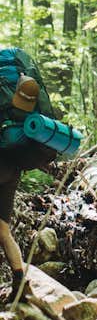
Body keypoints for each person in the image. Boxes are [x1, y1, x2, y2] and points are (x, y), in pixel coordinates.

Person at [0, 75, 42, 303]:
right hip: (13, 171)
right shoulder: (29, 109)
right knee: (3, 232)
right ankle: (20, 285)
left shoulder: (3, 101)